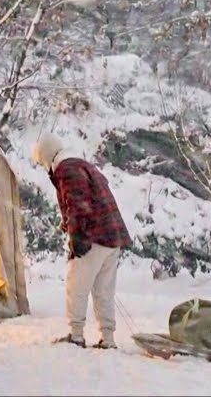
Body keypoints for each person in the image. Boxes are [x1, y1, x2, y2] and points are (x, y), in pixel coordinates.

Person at [32, 132, 132, 349]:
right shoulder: (84, 166)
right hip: (112, 235)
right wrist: (68, 224)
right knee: (103, 290)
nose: (46, 169)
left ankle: (75, 335)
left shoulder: (67, 170)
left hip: (94, 235)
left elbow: (78, 204)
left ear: (48, 157)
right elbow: (88, 201)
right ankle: (108, 338)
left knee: (76, 285)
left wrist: (76, 235)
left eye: (43, 163)